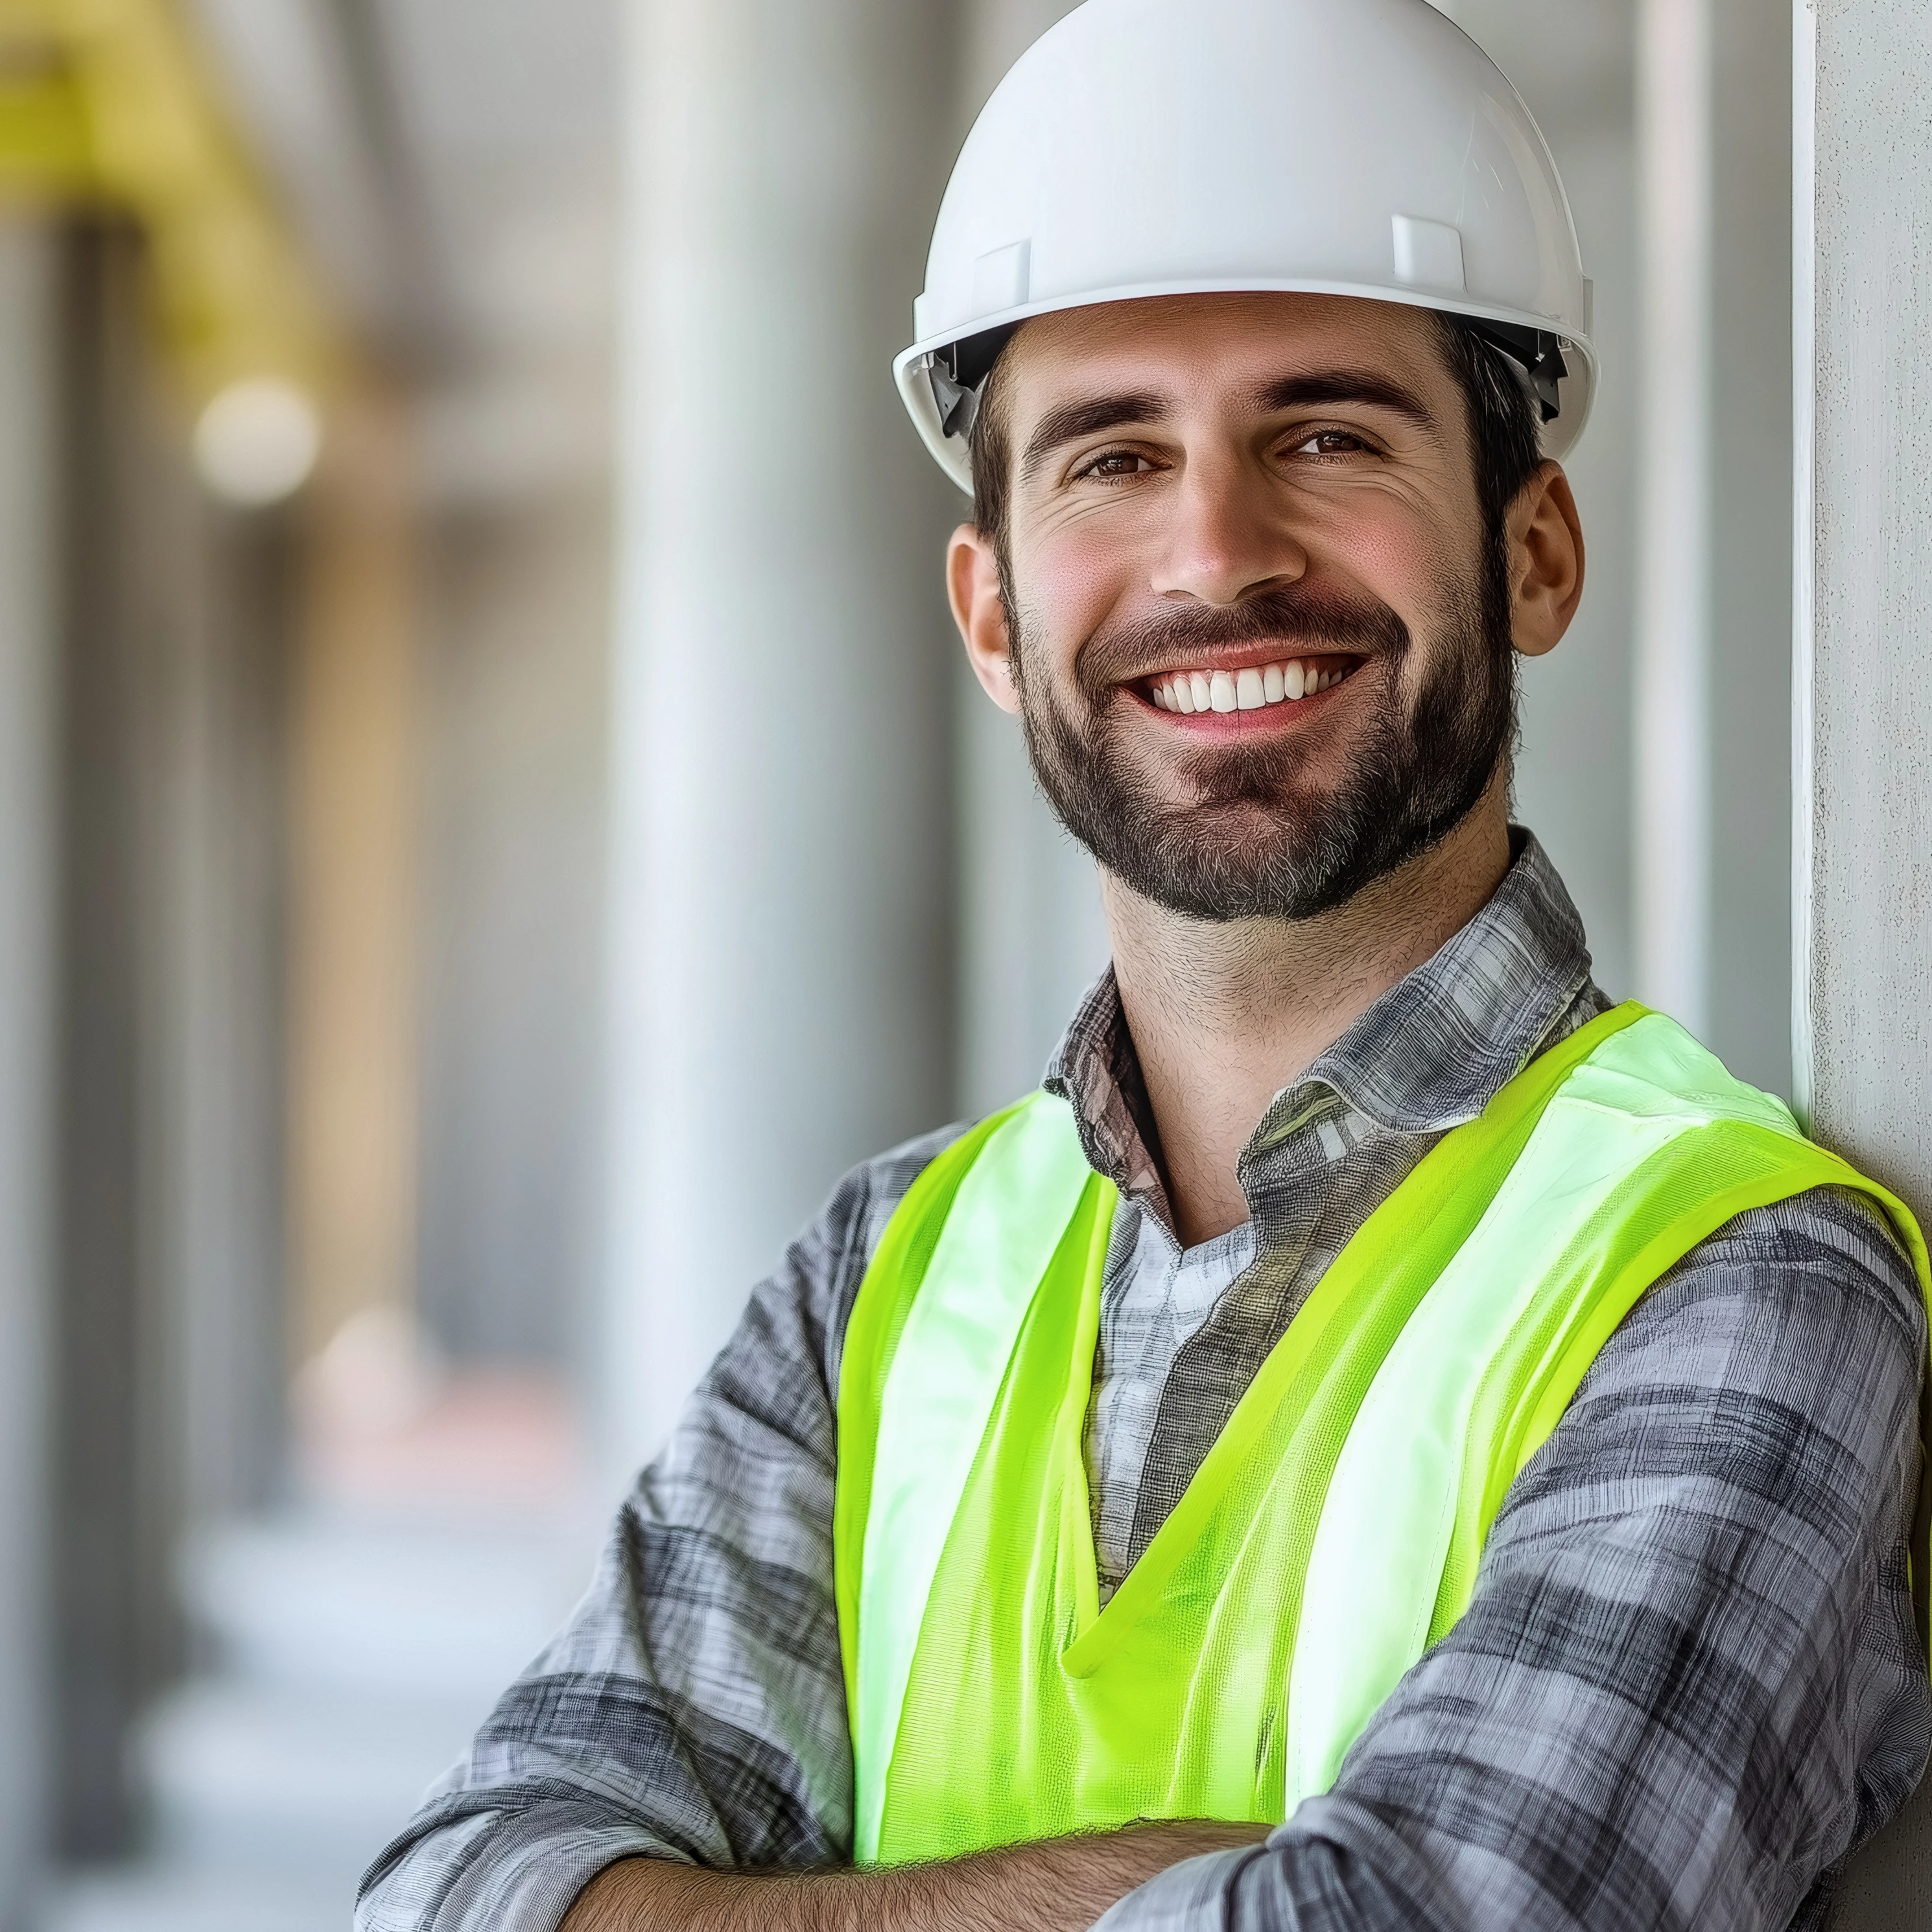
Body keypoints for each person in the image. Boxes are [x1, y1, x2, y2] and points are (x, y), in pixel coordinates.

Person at [358, 2, 1931, 1928]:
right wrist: (1182, 1881)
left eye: (1325, 431)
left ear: (1530, 550)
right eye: (1111, 455)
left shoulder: (1732, 1269)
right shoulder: (882, 1284)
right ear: (994, 612)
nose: (1216, 551)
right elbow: (463, 1888)